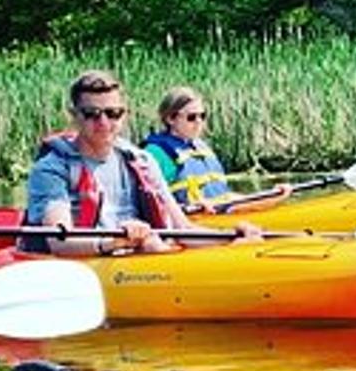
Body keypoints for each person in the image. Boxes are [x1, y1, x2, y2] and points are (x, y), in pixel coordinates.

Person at [24, 71, 256, 254]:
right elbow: (59, 242)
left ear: (124, 115)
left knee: (155, 244)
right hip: (96, 260)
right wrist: (113, 242)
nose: (104, 122)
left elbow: (181, 228)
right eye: (92, 113)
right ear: (74, 115)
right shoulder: (51, 168)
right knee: (151, 245)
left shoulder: (141, 160)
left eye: (113, 113)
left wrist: (228, 237)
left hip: (142, 252)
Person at [139, 86, 285, 216]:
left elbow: (224, 196)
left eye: (202, 116)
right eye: (191, 117)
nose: (199, 122)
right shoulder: (156, 153)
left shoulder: (201, 148)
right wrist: (185, 208)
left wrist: (272, 196)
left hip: (222, 215)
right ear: (170, 118)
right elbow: (148, 204)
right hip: (192, 220)